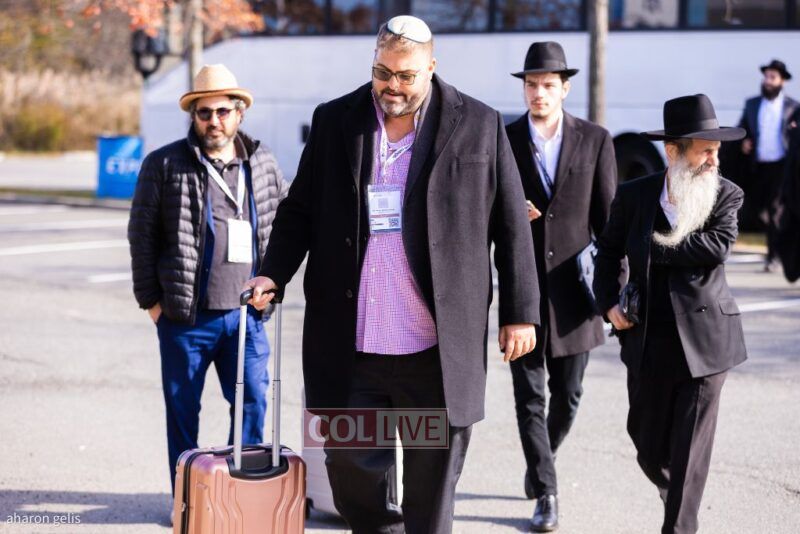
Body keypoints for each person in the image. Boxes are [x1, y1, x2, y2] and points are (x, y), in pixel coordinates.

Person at [245, 15, 539, 533]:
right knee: (353, 478)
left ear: (431, 68)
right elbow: (300, 210)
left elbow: (511, 222)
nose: (392, 86)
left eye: (406, 75)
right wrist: (273, 273)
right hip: (356, 350)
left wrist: (520, 313)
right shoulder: (336, 120)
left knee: (430, 491)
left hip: (434, 353)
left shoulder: (479, 123)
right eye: (382, 73)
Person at [127, 64, 288, 494]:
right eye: (204, 113)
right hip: (186, 320)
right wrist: (152, 304)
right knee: (183, 414)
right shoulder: (164, 164)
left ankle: (242, 497)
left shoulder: (262, 162)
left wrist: (273, 285)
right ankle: (188, 503)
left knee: (252, 403)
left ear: (239, 114)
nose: (213, 121)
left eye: (222, 111)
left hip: (247, 318)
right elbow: (141, 236)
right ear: (193, 116)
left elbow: (285, 225)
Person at [593, 94, 748, 534]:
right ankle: (677, 493)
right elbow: (608, 253)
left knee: (690, 454)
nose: (714, 160)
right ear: (673, 152)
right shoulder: (634, 195)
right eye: (704, 150)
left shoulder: (727, 194)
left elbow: (716, 246)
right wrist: (608, 303)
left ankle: (680, 520)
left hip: (706, 343)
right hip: (648, 339)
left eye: (716, 150)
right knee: (646, 444)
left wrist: (653, 245)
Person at [504, 41, 618, 532]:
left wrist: (616, 294)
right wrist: (510, 212)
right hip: (523, 291)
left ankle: (539, 463)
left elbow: (609, 224)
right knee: (529, 398)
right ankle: (547, 492)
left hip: (577, 295)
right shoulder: (505, 139)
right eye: (532, 84)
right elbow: (485, 209)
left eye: (548, 85)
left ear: (565, 88)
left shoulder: (596, 140)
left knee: (568, 396)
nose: (539, 93)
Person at [736, 59, 798, 271]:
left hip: (781, 166)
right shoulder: (752, 104)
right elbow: (742, 128)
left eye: (773, 77)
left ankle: (774, 257)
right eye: (766, 76)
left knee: (774, 210)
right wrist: (744, 142)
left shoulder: (793, 107)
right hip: (758, 166)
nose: (768, 81)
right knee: (757, 211)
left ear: (782, 81)